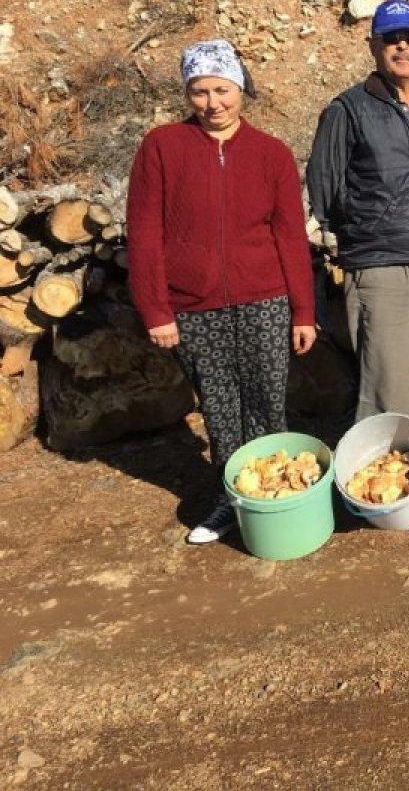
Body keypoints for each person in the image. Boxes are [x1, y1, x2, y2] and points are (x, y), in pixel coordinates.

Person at [127, 39, 317, 544]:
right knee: (219, 408)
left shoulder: (271, 154)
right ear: (188, 93)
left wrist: (303, 311)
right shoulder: (162, 148)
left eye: (223, 89)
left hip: (265, 302)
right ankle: (229, 502)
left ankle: (276, 501)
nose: (213, 103)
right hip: (194, 305)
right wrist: (156, 310)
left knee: (267, 405)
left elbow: (290, 238)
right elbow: (144, 233)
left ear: (241, 88)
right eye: (200, 91)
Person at [307, 0, 409, 427]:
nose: (402, 47)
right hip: (382, 269)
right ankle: (382, 486)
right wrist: (366, 238)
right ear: (373, 46)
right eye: (390, 39)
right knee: (388, 393)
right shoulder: (348, 110)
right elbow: (323, 191)